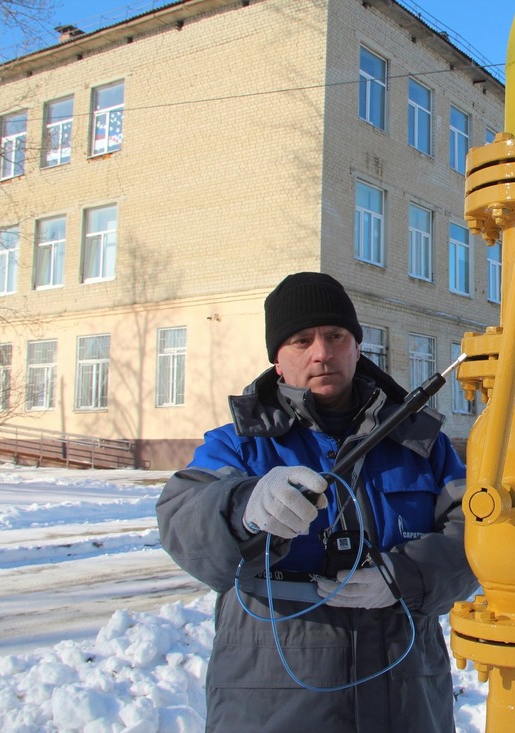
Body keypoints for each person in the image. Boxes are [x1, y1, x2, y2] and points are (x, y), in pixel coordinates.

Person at [157, 272, 477, 733]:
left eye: (335, 336)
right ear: (277, 360)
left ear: (356, 347)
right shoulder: (241, 445)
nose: (322, 352)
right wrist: (244, 507)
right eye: (301, 340)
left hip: (405, 698)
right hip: (274, 702)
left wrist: (405, 576)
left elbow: (477, 532)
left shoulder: (422, 443)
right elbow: (181, 516)